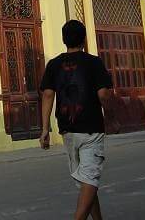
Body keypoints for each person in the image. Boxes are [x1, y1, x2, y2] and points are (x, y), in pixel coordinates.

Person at [39, 20, 116, 220]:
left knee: (85, 181)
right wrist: (112, 117)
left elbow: (48, 95)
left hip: (67, 130)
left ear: (64, 39)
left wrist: (45, 129)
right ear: (84, 39)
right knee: (89, 179)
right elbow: (104, 95)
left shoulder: (54, 64)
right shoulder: (94, 62)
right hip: (91, 128)